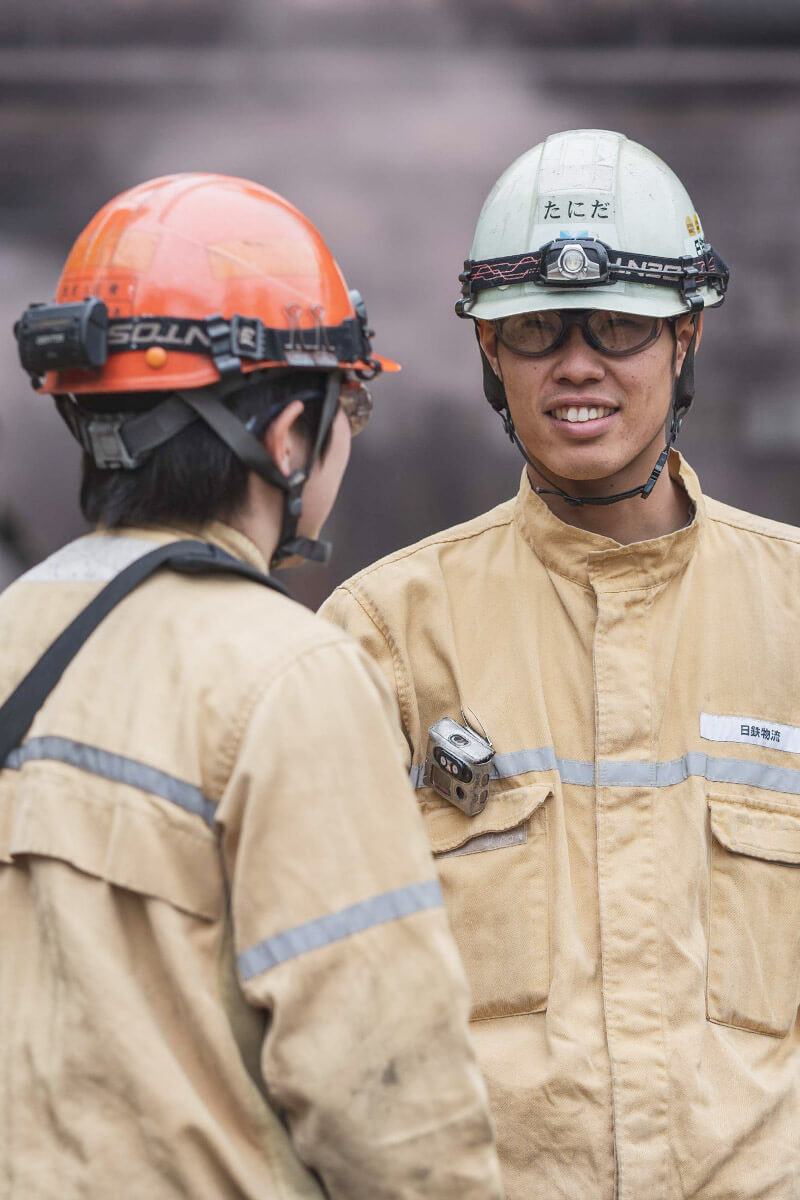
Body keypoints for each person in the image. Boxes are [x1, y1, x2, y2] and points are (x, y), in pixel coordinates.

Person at [0, 173, 504, 1200]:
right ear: (285, 436)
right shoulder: (294, 676)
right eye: (345, 403)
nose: (345, 436)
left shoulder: (13, 631)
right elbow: (388, 1102)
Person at [320, 129, 800, 1200]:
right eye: (535, 329)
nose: (576, 362)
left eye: (619, 326)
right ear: (488, 353)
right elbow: (328, 1000)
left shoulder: (790, 613)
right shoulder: (389, 635)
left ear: (686, 336)